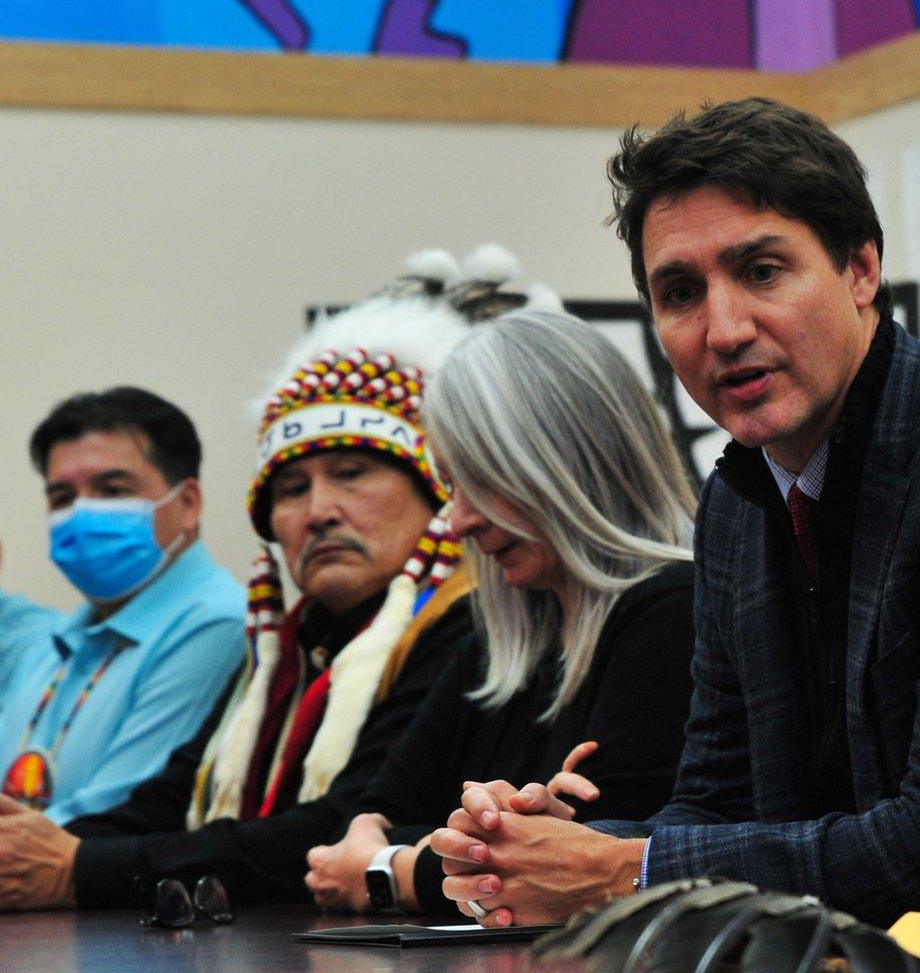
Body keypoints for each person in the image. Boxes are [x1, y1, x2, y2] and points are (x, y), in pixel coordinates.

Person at [432, 97, 920, 929]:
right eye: (680, 292)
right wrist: (547, 849)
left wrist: (624, 869)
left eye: (762, 272)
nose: (724, 328)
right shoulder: (737, 503)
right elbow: (716, 807)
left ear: (861, 270)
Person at [0, 248, 550, 910]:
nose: (317, 512)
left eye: (352, 474)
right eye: (291, 489)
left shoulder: (471, 627)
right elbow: (173, 799)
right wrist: (34, 851)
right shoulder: (288, 653)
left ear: (438, 494)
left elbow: (335, 828)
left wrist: (82, 868)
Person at [301, 310, 697, 917]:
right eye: (452, 486)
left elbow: (577, 870)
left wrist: (391, 870)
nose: (457, 521)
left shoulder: (674, 612)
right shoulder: (498, 639)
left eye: (480, 483)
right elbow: (377, 811)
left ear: (567, 462)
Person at [0, 389, 243, 824]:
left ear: (188, 504)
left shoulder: (217, 624)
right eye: (62, 498)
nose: (81, 514)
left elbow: (117, 819)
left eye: (112, 491)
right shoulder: (53, 643)